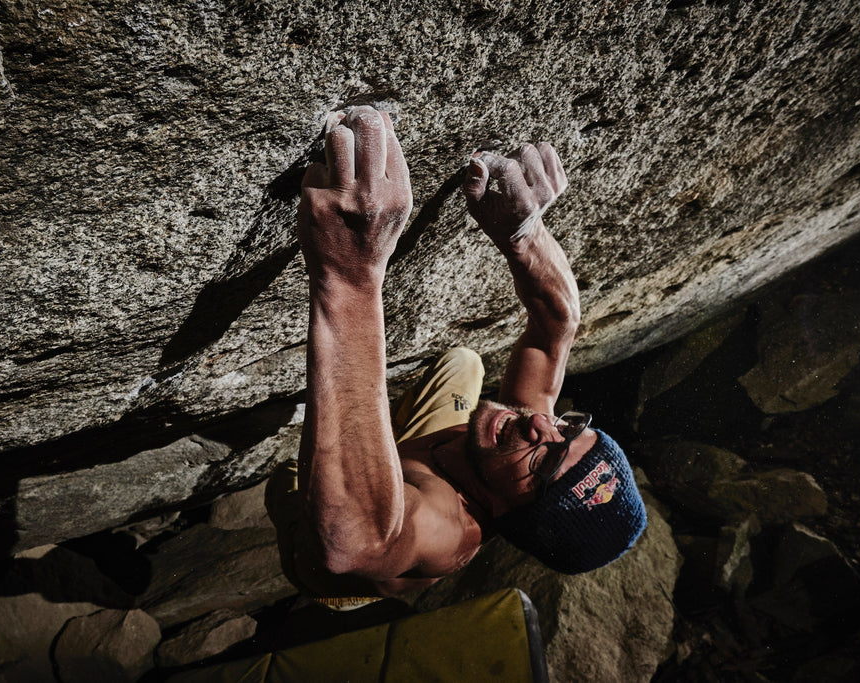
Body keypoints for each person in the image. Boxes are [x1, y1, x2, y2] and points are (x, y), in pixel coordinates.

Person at [266, 105, 646, 610]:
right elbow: (559, 322)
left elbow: (352, 545)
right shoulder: (530, 434)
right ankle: (376, 437)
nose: (540, 425)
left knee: (284, 478)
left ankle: (340, 464)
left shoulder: (446, 530)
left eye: (546, 460)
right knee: (464, 363)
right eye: (570, 431)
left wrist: (350, 274)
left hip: (341, 542)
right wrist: (526, 232)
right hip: (417, 467)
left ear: (507, 514)